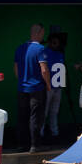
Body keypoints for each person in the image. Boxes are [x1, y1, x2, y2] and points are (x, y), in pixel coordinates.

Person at [14, 23, 51, 153]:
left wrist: (23, 82)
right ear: (39, 33)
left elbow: (16, 70)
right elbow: (44, 70)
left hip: (22, 88)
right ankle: (35, 145)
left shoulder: (19, 49)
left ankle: (21, 144)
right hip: (37, 88)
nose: (43, 35)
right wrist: (48, 85)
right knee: (35, 117)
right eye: (43, 33)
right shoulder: (41, 49)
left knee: (22, 117)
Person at [42, 32, 66, 141]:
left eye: (58, 42)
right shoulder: (44, 52)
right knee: (45, 111)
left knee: (54, 111)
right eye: (54, 42)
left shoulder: (60, 54)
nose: (56, 44)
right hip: (48, 87)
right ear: (50, 42)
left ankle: (55, 132)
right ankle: (40, 134)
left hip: (58, 87)